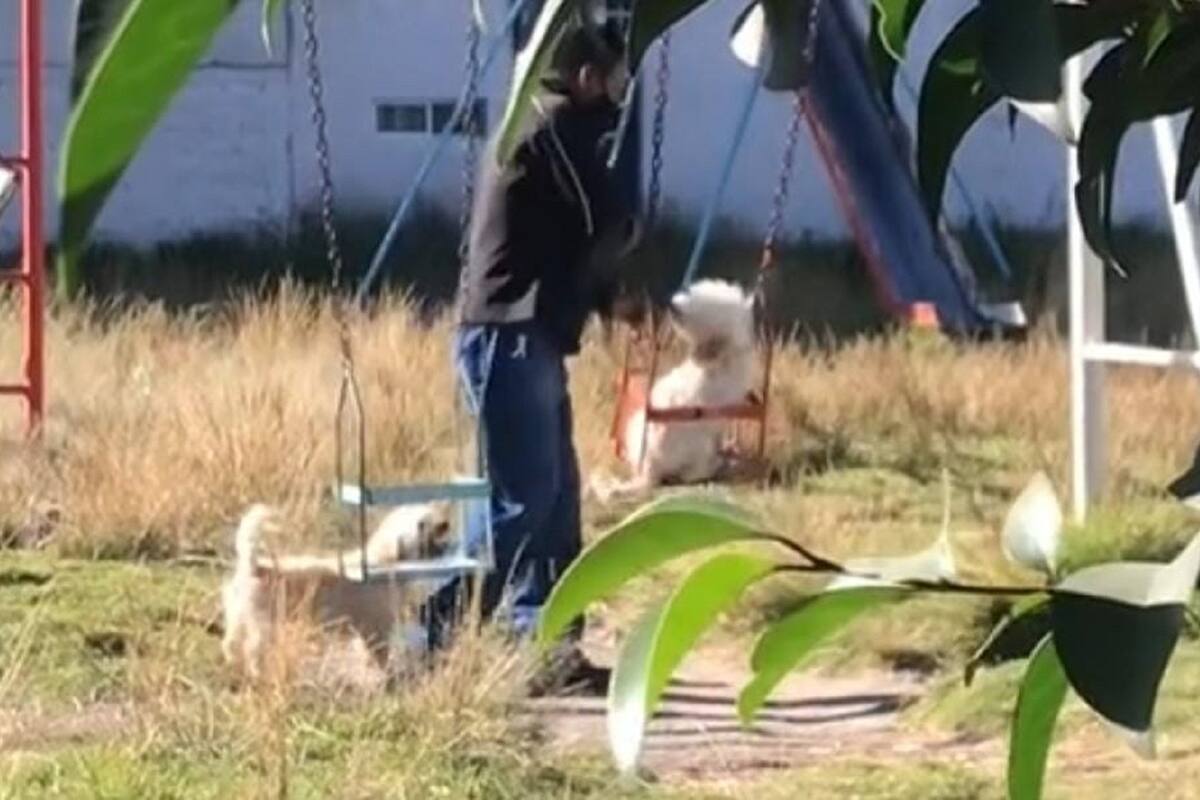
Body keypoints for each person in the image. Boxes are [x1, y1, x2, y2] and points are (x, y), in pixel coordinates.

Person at [428, 20, 640, 693]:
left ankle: (542, 647)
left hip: (528, 339)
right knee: (519, 507)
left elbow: (578, 232)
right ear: (583, 79)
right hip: (508, 337)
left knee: (554, 506)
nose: (617, 95)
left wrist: (607, 297)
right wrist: (617, 278)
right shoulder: (546, 129)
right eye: (612, 80)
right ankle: (429, 641)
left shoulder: (551, 130)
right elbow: (602, 217)